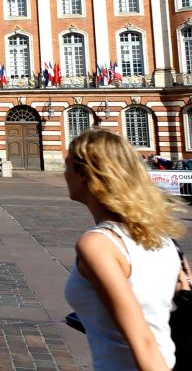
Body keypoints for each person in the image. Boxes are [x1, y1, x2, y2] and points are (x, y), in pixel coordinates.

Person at [63, 128, 186, 370]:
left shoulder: (99, 244)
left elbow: (143, 342)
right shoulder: (163, 238)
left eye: (67, 166)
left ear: (85, 174)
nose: (63, 173)